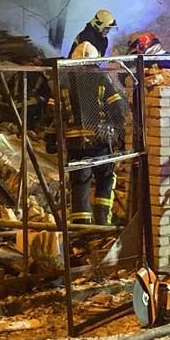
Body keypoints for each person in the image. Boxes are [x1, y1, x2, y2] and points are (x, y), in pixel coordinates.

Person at [59, 43, 129, 225]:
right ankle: (102, 222)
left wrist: (51, 138)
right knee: (105, 179)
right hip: (100, 141)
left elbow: (53, 112)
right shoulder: (100, 78)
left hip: (74, 143)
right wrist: (119, 133)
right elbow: (118, 107)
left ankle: (81, 227)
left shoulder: (64, 80)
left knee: (79, 183)